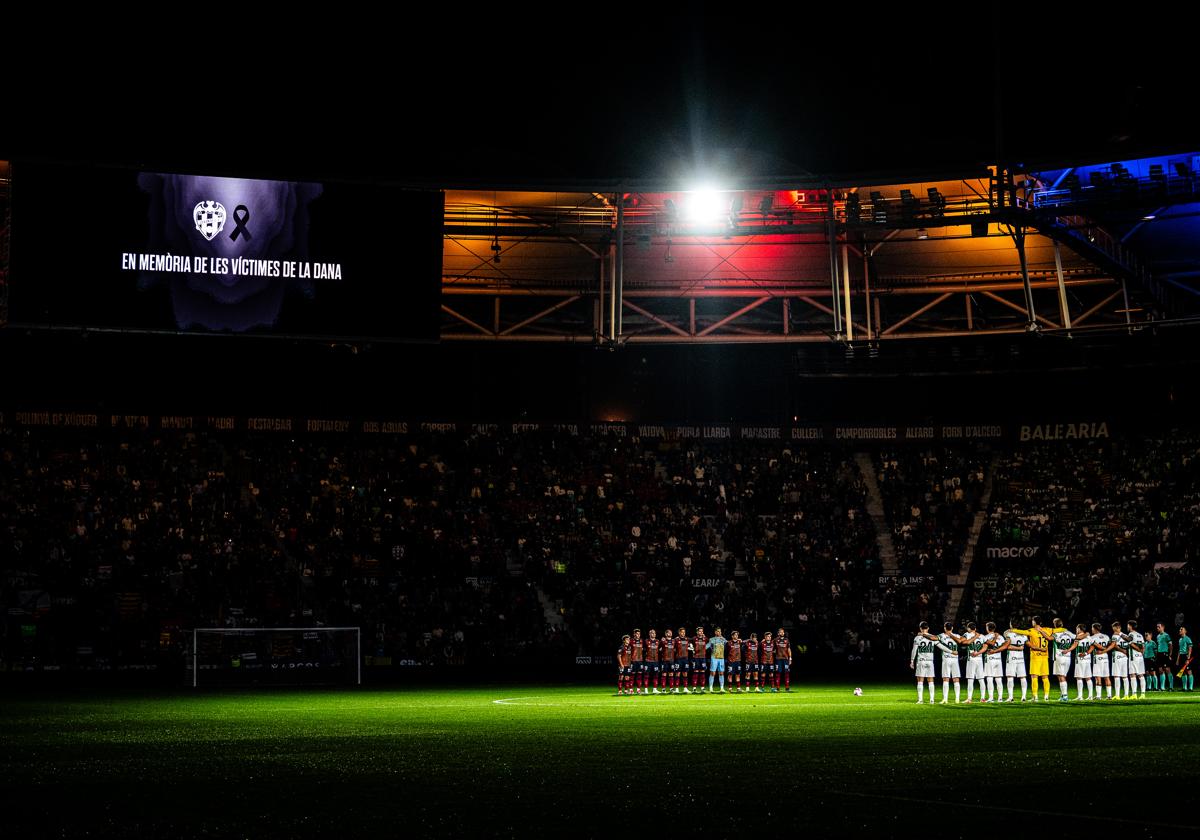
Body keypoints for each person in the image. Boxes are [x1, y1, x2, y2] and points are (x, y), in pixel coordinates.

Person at [1008, 616, 1052, 701]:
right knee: (1045, 677)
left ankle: (1035, 696)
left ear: (1034, 622)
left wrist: (1012, 630)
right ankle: (1046, 696)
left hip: (1036, 656)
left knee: (1034, 676)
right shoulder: (1046, 630)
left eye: (1032, 621)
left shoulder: (1032, 631)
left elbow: (1022, 632)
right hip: (1045, 656)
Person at [1044, 618, 1078, 702]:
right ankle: (1063, 695)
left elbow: (1049, 638)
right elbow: (1077, 638)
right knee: (1062, 676)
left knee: (1061, 676)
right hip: (1068, 657)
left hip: (1059, 656)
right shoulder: (1068, 633)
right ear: (1062, 624)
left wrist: (1041, 631)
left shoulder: (1056, 633)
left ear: (1055, 625)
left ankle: (1065, 695)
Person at [910, 621, 938, 704]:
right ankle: (932, 700)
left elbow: (914, 650)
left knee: (920, 680)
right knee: (931, 681)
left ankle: (920, 700)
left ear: (920, 628)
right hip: (930, 661)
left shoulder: (917, 638)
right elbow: (940, 645)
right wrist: (951, 651)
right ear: (928, 628)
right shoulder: (933, 637)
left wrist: (912, 661)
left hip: (921, 661)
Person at [1103, 621, 1131, 700]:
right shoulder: (1125, 635)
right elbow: (1129, 641)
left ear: (1118, 628)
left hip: (1117, 656)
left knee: (1116, 676)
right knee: (1125, 676)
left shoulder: (1115, 635)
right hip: (1124, 657)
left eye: (1114, 628)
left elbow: (1114, 645)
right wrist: (1125, 651)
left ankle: (1117, 695)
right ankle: (1126, 695)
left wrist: (1105, 650)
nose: (1113, 630)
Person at [1002, 623, 1029, 702]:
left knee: (1010, 677)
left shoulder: (1009, 634)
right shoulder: (1024, 635)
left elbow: (1007, 646)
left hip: (1012, 657)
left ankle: (1010, 697)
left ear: (1011, 625)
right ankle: (1023, 697)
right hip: (1020, 658)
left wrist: (1018, 648)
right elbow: (1028, 644)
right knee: (1023, 677)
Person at [961, 621, 987, 703]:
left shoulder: (967, 634)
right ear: (975, 628)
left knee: (970, 679)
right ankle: (983, 698)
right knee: (981, 679)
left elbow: (963, 642)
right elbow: (985, 647)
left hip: (971, 659)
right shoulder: (982, 636)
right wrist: (978, 653)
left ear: (968, 628)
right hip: (979, 659)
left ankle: (969, 699)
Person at [1090, 623, 1113, 700]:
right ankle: (1109, 696)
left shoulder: (1092, 637)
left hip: (1098, 657)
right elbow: (1110, 645)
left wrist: (1102, 649)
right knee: (1107, 677)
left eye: (1092, 628)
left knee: (1098, 677)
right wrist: (1105, 650)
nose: (1091, 629)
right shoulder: (1106, 636)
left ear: (1095, 629)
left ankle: (1098, 696)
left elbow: (1094, 646)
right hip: (1105, 657)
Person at [1126, 620, 1148, 699]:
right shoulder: (1140, 635)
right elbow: (1143, 646)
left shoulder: (1131, 634)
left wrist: (1136, 648)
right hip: (1140, 657)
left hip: (1134, 657)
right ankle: (1142, 694)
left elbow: (1131, 643)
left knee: (1133, 675)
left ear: (1131, 626)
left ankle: (1134, 694)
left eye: (1128, 625)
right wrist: (1142, 652)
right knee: (1141, 675)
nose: (1127, 627)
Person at [1073, 624, 1094, 701]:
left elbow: (1076, 640)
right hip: (1087, 659)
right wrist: (1086, 653)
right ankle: (1090, 696)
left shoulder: (1078, 637)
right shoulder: (1088, 636)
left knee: (1079, 678)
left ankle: (1080, 696)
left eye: (1077, 628)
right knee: (1088, 678)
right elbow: (1093, 646)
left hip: (1080, 659)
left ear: (1079, 629)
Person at [706, 627, 728, 693]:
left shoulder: (723, 639)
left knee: (721, 673)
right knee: (712, 673)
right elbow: (706, 647)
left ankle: (722, 688)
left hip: (721, 658)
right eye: (718, 631)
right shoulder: (711, 639)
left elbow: (729, 644)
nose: (719, 632)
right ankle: (710, 688)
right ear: (715, 632)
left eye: (720, 631)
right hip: (714, 658)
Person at [1156, 623, 1174, 691]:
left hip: (1165, 654)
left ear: (1163, 627)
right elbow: (1158, 646)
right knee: (1160, 670)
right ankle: (1162, 687)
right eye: (1157, 627)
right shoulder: (1157, 636)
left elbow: (1170, 645)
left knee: (1167, 670)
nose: (1157, 628)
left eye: (1159, 627)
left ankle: (1171, 687)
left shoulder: (1166, 635)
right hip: (1159, 654)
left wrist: (1170, 654)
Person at [644, 628, 662, 694]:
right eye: (652, 633)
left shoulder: (658, 641)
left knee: (656, 675)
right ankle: (646, 690)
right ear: (649, 634)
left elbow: (661, 649)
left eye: (654, 633)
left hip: (655, 661)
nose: (653, 634)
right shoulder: (646, 641)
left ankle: (655, 689)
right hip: (648, 661)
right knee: (646, 675)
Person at [674, 626, 691, 694]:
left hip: (685, 659)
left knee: (685, 673)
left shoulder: (687, 639)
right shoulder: (676, 639)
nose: (683, 633)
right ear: (679, 633)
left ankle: (685, 688)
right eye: (682, 632)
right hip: (678, 659)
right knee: (678, 673)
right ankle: (677, 689)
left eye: (684, 632)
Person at [691, 626, 708, 693]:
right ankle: (694, 688)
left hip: (703, 658)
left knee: (702, 672)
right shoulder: (694, 639)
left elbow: (709, 642)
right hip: (696, 658)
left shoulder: (705, 639)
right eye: (700, 631)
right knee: (696, 672)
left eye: (702, 631)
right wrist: (692, 649)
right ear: (697, 632)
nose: (701, 632)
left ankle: (702, 688)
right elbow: (688, 643)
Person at [1177, 626, 1194, 691]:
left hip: (1186, 656)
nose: (1180, 630)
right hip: (1181, 656)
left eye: (1181, 629)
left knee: (1189, 671)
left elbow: (1190, 648)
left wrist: (1188, 658)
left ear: (1185, 631)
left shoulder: (1188, 639)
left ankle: (1190, 688)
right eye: (1180, 629)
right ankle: (1184, 688)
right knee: (1182, 672)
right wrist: (1178, 659)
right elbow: (1179, 650)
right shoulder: (1180, 639)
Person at [661, 628, 677, 693]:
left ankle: (671, 689)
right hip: (664, 660)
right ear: (665, 634)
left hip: (671, 660)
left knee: (671, 674)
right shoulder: (663, 641)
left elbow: (676, 649)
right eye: (668, 632)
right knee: (664, 674)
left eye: (671, 632)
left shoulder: (674, 641)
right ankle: (663, 689)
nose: (670, 633)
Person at [630, 628, 646, 694]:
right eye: (636, 634)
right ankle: (631, 690)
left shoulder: (642, 641)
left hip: (640, 661)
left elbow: (645, 649)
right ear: (634, 634)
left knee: (639, 675)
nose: (638, 635)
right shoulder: (631, 641)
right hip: (633, 661)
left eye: (639, 634)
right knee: (632, 675)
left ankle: (638, 689)